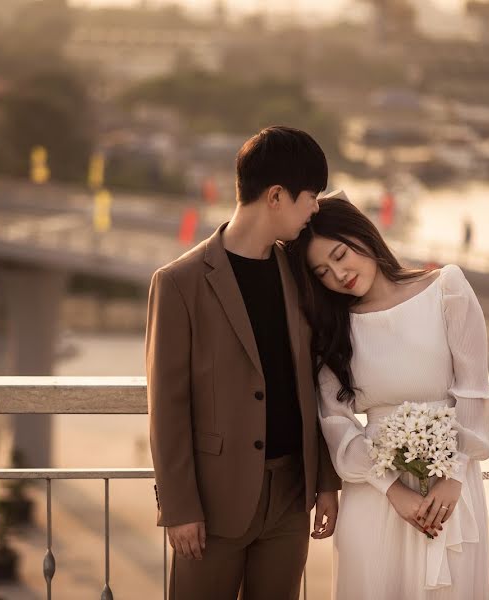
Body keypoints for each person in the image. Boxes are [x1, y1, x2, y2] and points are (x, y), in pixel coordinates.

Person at [146, 126, 342, 600]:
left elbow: (318, 383)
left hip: (292, 497)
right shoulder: (179, 283)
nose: (316, 209)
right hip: (213, 503)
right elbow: (167, 406)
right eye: (310, 197)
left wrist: (327, 483)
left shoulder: (301, 275)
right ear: (276, 196)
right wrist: (179, 506)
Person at [286, 192, 489, 599]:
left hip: (449, 492)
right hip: (375, 496)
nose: (338, 274)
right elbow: (336, 422)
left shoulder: (446, 289)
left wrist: (453, 478)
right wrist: (392, 491)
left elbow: (473, 391)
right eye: (323, 272)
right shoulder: (333, 328)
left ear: (361, 234)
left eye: (340, 254)